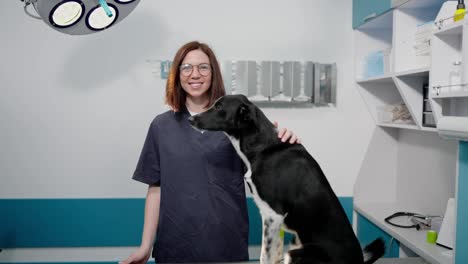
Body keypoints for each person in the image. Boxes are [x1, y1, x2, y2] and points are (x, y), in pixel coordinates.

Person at [121, 41, 300, 264]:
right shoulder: (161, 126)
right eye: (186, 67)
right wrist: (145, 247)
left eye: (203, 67)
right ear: (177, 74)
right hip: (175, 248)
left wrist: (286, 143)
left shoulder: (239, 125)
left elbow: (273, 177)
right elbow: (155, 189)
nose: (195, 74)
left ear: (213, 73)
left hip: (226, 246)